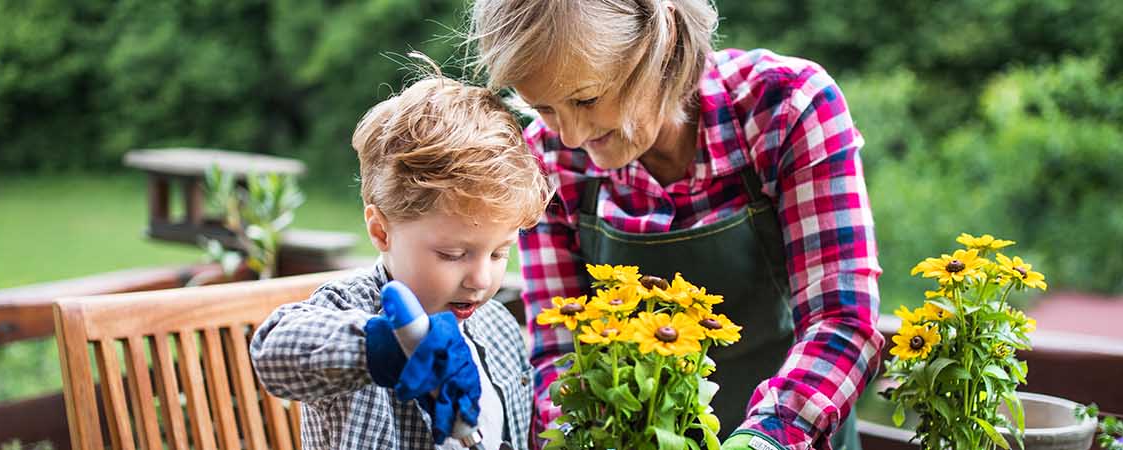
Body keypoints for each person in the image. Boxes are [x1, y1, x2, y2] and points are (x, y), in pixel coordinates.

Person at [467, 1, 884, 449]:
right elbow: (560, 352)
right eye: (545, 108)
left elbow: (841, 321)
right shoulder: (548, 160)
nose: (569, 135)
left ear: (660, 45)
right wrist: (577, 439)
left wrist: (766, 440)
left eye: (586, 99)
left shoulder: (785, 107)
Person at [249, 63, 551, 450]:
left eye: (499, 253)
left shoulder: (498, 327)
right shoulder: (350, 309)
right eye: (453, 253)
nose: (480, 278)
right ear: (381, 231)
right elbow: (274, 351)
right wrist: (385, 346)